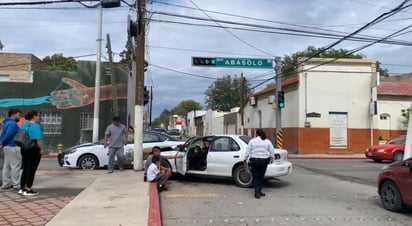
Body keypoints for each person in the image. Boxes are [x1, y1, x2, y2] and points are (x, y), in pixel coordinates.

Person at [243, 129, 275, 199]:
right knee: (261, 176)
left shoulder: (252, 141)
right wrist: (272, 159)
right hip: (264, 161)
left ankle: (257, 192)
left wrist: (245, 158)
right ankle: (259, 191)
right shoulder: (267, 141)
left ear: (256, 134)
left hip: (254, 161)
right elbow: (272, 152)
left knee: (255, 177)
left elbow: (248, 151)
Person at [19, 110, 44, 196]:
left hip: (24, 148)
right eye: (38, 116)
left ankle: (22, 187)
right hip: (33, 149)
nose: (38, 117)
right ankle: (28, 189)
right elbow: (38, 139)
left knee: (25, 168)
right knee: (32, 169)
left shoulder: (24, 125)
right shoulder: (35, 126)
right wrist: (41, 149)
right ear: (34, 116)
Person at [0, 109, 22, 190]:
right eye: (19, 115)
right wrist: (2, 142)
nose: (20, 117)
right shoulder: (12, 123)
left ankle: (6, 183)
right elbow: (9, 134)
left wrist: (2, 142)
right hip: (12, 146)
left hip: (7, 146)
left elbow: (4, 134)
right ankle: (16, 184)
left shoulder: (6, 123)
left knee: (7, 166)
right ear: (13, 114)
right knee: (15, 165)